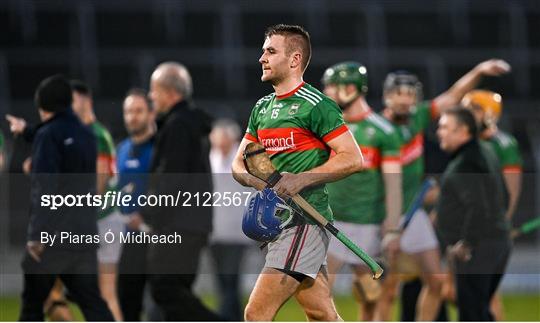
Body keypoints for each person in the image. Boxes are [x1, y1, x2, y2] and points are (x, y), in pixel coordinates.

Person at [232, 24, 363, 321]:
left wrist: (302, 178)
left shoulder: (317, 106)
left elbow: (353, 158)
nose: (261, 58)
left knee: (256, 313)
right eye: (263, 51)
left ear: (294, 59)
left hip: (304, 222)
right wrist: (257, 181)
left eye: (270, 51)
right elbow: (239, 162)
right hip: (279, 223)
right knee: (321, 314)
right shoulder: (262, 108)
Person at [376, 59, 511, 321]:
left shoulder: (417, 118)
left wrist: (478, 71)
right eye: (398, 94)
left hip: (414, 214)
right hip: (383, 214)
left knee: (436, 283)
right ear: (387, 96)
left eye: (409, 94)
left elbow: (453, 95)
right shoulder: (375, 128)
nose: (404, 100)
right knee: (386, 288)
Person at [19, 74, 114, 321]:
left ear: (42, 105)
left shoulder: (48, 135)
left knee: (32, 306)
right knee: (94, 304)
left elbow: (45, 188)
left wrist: (37, 235)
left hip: (53, 239)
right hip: (83, 234)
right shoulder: (87, 135)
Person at [321, 62, 402, 321]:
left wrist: (391, 228)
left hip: (367, 225)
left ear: (350, 88)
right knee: (319, 294)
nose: (326, 93)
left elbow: (393, 184)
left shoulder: (383, 132)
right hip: (329, 222)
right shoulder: (326, 127)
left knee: (370, 297)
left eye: (331, 87)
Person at [143, 61, 219, 320]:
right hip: (193, 225)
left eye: (154, 90)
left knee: (165, 290)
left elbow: (170, 179)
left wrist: (149, 212)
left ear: (169, 92)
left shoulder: (177, 125)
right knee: (174, 296)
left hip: (177, 224)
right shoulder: (192, 125)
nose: (151, 97)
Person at [436, 107, 511, 321]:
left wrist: (466, 243)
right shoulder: (486, 150)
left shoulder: (465, 163)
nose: (439, 132)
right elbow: (503, 195)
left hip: (477, 249)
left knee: (471, 313)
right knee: (480, 310)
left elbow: (477, 207)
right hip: (495, 243)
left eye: (445, 127)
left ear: (463, 131)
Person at [460, 90, 522, 320]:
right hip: (467, 227)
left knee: (485, 294)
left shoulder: (503, 145)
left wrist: (500, 224)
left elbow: (511, 191)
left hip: (487, 231)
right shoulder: (468, 143)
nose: (467, 113)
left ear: (489, 114)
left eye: (473, 109)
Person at [71, 80, 123, 321]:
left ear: (85, 100)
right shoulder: (90, 133)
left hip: (102, 219)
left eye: (72, 101)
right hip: (101, 219)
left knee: (105, 292)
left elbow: (99, 181)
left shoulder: (94, 134)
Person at [115, 88, 161, 321]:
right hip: (128, 239)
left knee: (160, 307)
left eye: (138, 111)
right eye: (128, 111)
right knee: (127, 303)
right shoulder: (121, 150)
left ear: (151, 114)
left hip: (157, 238)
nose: (132, 116)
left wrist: (145, 216)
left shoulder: (161, 149)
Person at [208, 118, 254, 321]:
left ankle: (223, 318)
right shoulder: (209, 159)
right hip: (215, 232)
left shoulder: (244, 159)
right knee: (223, 282)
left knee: (230, 279)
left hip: (237, 233)